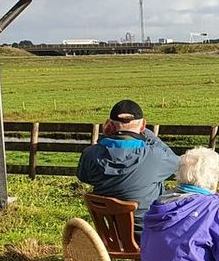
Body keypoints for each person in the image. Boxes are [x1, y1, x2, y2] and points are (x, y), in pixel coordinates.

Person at [76, 99, 178, 236]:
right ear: (143, 125)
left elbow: (84, 176)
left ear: (110, 125)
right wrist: (147, 134)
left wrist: (106, 137)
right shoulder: (154, 156)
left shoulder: (90, 154)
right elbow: (176, 163)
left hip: (111, 233)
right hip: (150, 234)